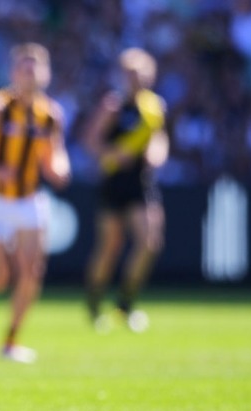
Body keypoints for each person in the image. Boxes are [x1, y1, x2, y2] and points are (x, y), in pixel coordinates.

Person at [0, 43, 70, 363]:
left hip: (29, 199)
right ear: (13, 72)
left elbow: (55, 156)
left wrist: (60, 168)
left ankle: (11, 340)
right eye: (24, 67)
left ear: (45, 74)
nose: (29, 74)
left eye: (35, 68)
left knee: (32, 270)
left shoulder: (51, 115)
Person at [83, 47, 168, 333]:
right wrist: (111, 154)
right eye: (131, 74)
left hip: (141, 181)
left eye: (141, 74)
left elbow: (159, 139)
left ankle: (125, 304)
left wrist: (158, 154)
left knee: (150, 242)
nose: (137, 79)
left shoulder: (154, 108)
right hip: (114, 181)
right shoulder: (113, 106)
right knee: (110, 247)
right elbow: (91, 142)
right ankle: (94, 304)